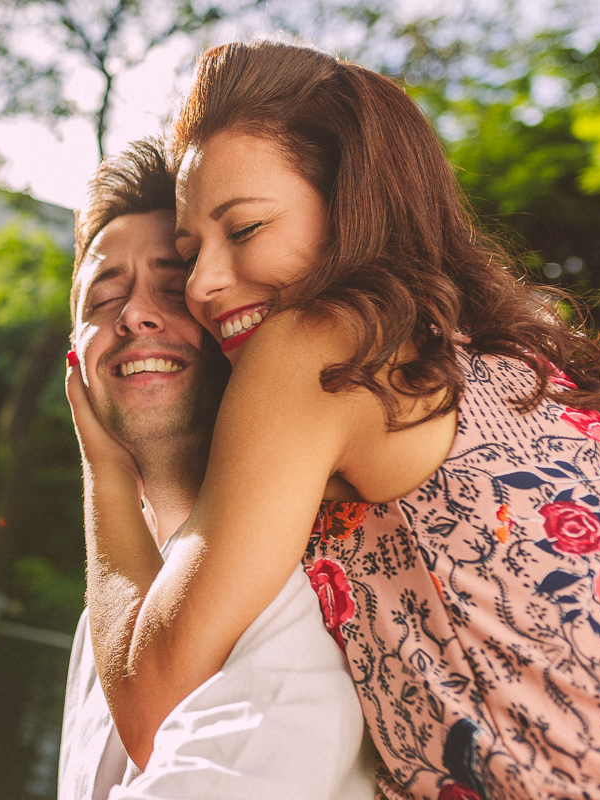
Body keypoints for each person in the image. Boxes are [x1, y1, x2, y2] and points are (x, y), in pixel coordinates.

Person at [66, 39, 600, 800]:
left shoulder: (318, 346)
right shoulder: (507, 360)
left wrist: (105, 469)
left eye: (245, 230)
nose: (202, 285)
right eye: (193, 250)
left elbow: (157, 710)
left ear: (353, 208)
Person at [59, 137, 376, 800]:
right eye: (102, 299)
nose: (135, 314)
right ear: (75, 362)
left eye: (173, 288)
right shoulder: (101, 624)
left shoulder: (312, 573)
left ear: (232, 322)